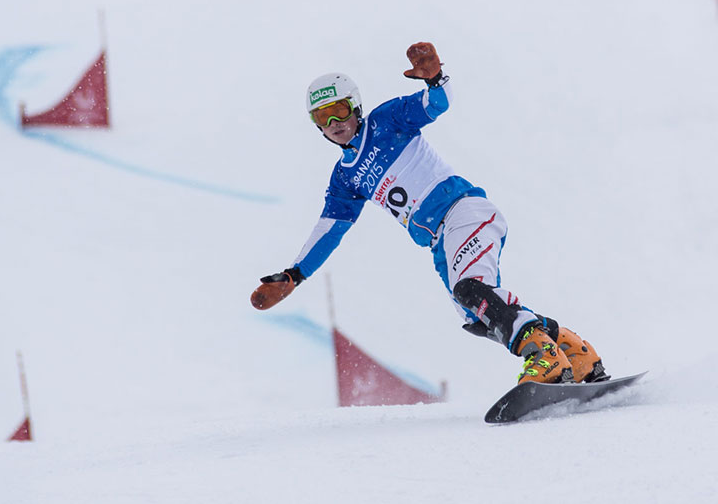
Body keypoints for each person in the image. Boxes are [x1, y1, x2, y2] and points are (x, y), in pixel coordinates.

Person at [251, 42, 608, 385]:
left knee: (472, 290)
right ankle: (575, 355)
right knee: (476, 316)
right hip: (439, 240)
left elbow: (435, 105)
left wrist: (435, 79)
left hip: (462, 211)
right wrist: (295, 274)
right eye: (322, 117)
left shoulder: (385, 122)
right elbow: (330, 228)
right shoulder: (345, 177)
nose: (334, 122)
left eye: (340, 110)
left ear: (355, 107)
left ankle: (541, 355)